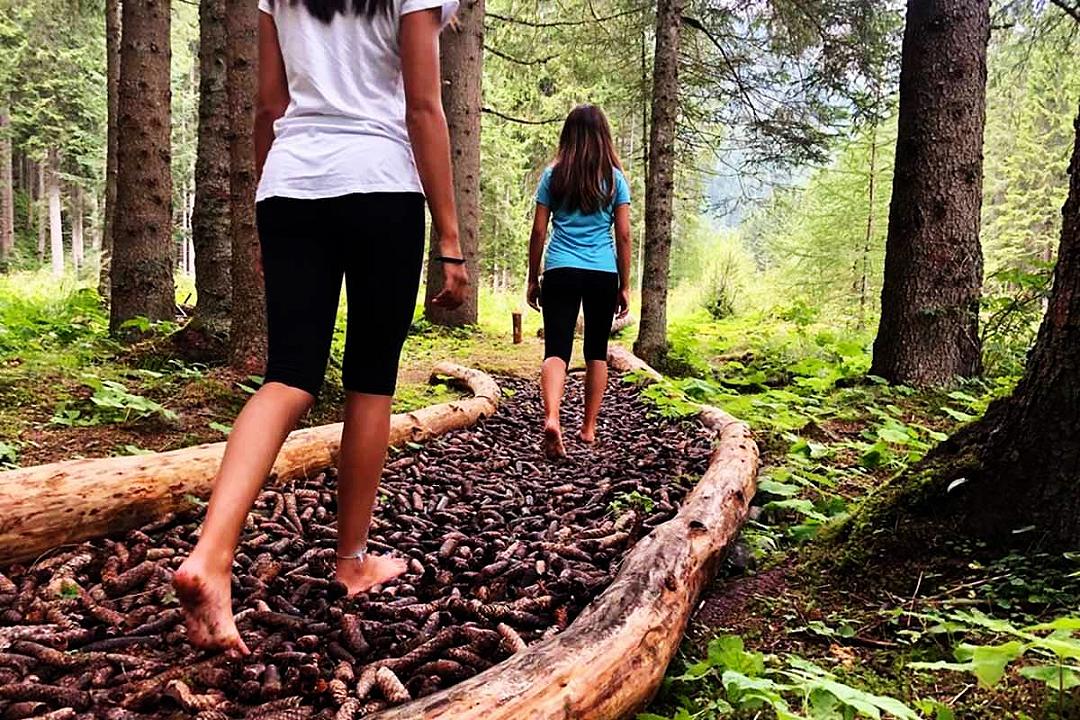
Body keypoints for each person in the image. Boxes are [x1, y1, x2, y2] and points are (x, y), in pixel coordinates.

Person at [173, 0, 467, 655]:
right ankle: (351, 560)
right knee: (370, 383)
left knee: (288, 376)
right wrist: (449, 238)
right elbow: (423, 108)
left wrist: (262, 211)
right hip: (381, 186)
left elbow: (268, 107)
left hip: (292, 185)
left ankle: (212, 554)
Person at [527, 104, 632, 460]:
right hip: (602, 272)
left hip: (560, 269)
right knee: (595, 351)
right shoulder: (614, 179)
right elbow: (624, 235)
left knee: (556, 349)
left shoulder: (553, 176)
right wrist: (624, 284)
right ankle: (588, 428)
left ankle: (553, 417)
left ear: (567, 136)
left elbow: (539, 230)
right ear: (604, 136)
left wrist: (532, 277)